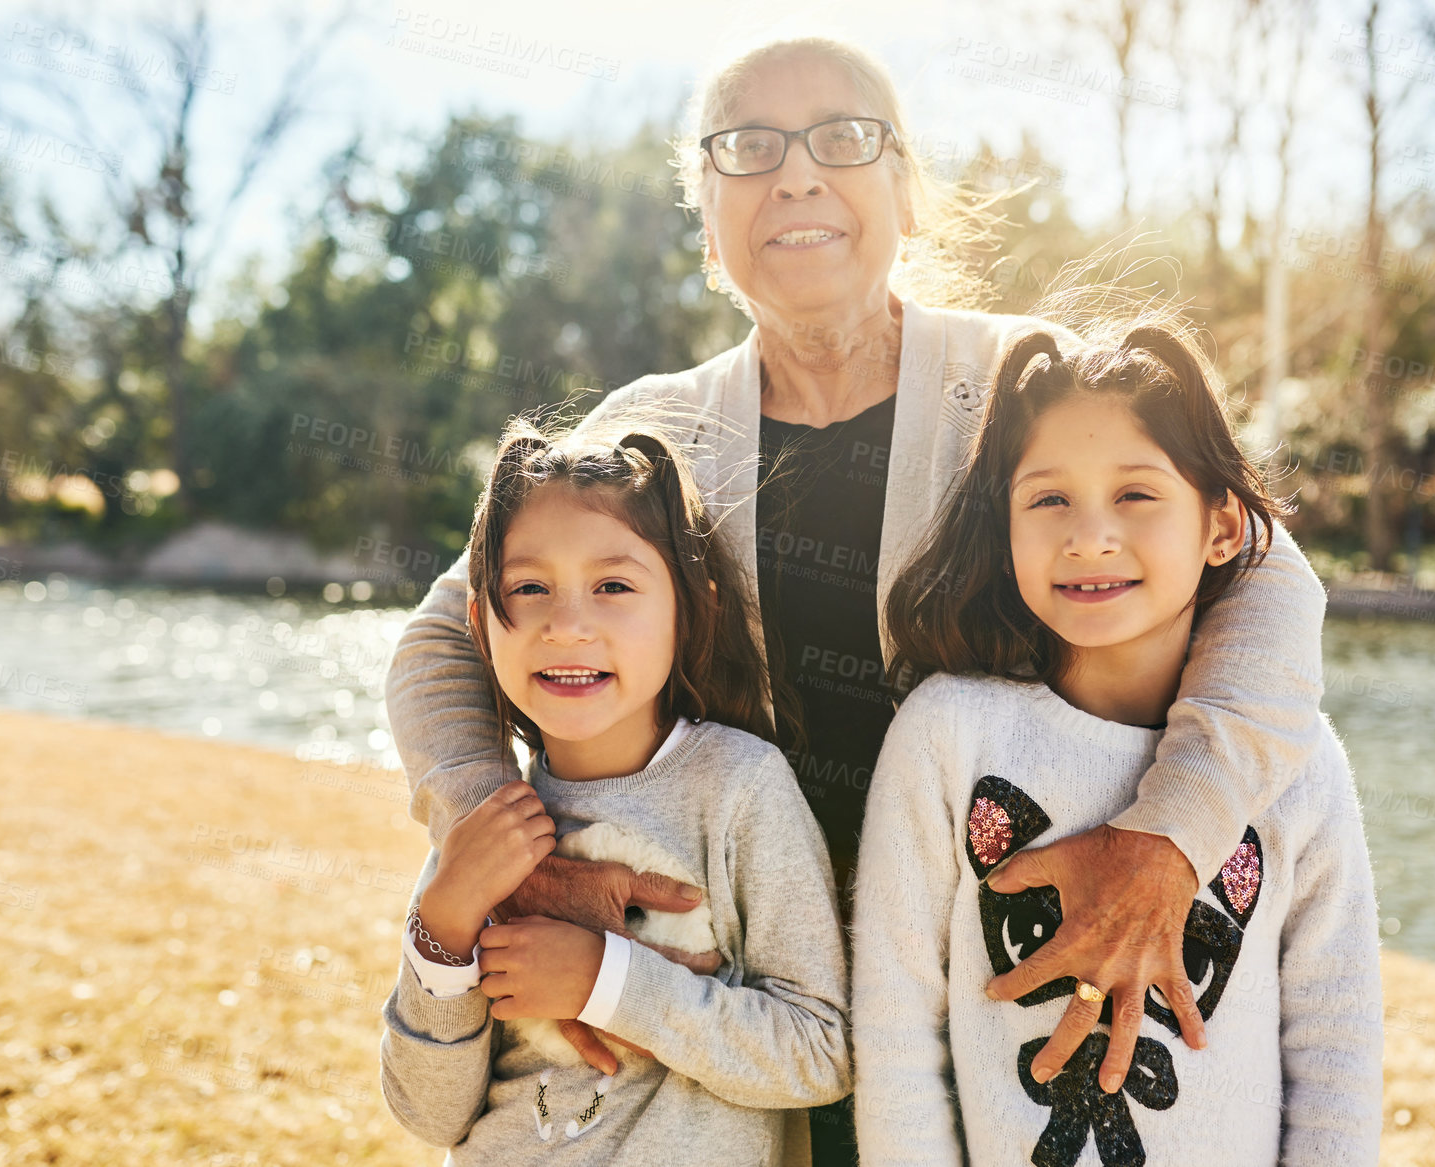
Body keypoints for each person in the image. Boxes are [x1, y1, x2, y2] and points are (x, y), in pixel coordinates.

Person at [384, 35, 1331, 1164]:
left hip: (1001, 974)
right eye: (746, 147)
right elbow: (443, 643)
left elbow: (1263, 569)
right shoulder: (655, 434)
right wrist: (509, 844)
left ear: (907, 187)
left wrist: (1169, 837)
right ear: (705, 207)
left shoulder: (1025, 382)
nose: (794, 176)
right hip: (738, 992)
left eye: (844, 138)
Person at [851, 318, 1382, 1166]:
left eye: (1136, 494)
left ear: (1221, 527)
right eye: (1048, 497)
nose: (1089, 534)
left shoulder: (1296, 763)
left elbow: (1337, 1047)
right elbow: (895, 1035)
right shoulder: (947, 735)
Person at [380, 419, 850, 1165]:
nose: (568, 625)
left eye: (614, 586)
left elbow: (820, 1053)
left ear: (693, 607)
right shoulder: (490, 829)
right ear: (480, 624)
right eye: (529, 587)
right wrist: (441, 924)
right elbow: (430, 1112)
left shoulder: (738, 788)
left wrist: (608, 981)